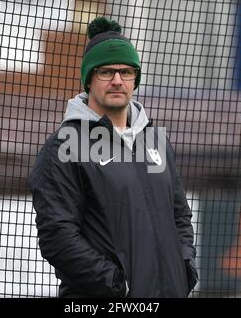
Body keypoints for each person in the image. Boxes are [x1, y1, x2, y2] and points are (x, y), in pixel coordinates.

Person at [28, 17, 198, 298]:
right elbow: (57, 236)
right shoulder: (65, 147)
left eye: (127, 72)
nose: (118, 80)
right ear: (89, 79)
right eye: (106, 72)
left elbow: (179, 214)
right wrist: (119, 286)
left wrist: (184, 268)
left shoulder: (155, 140)